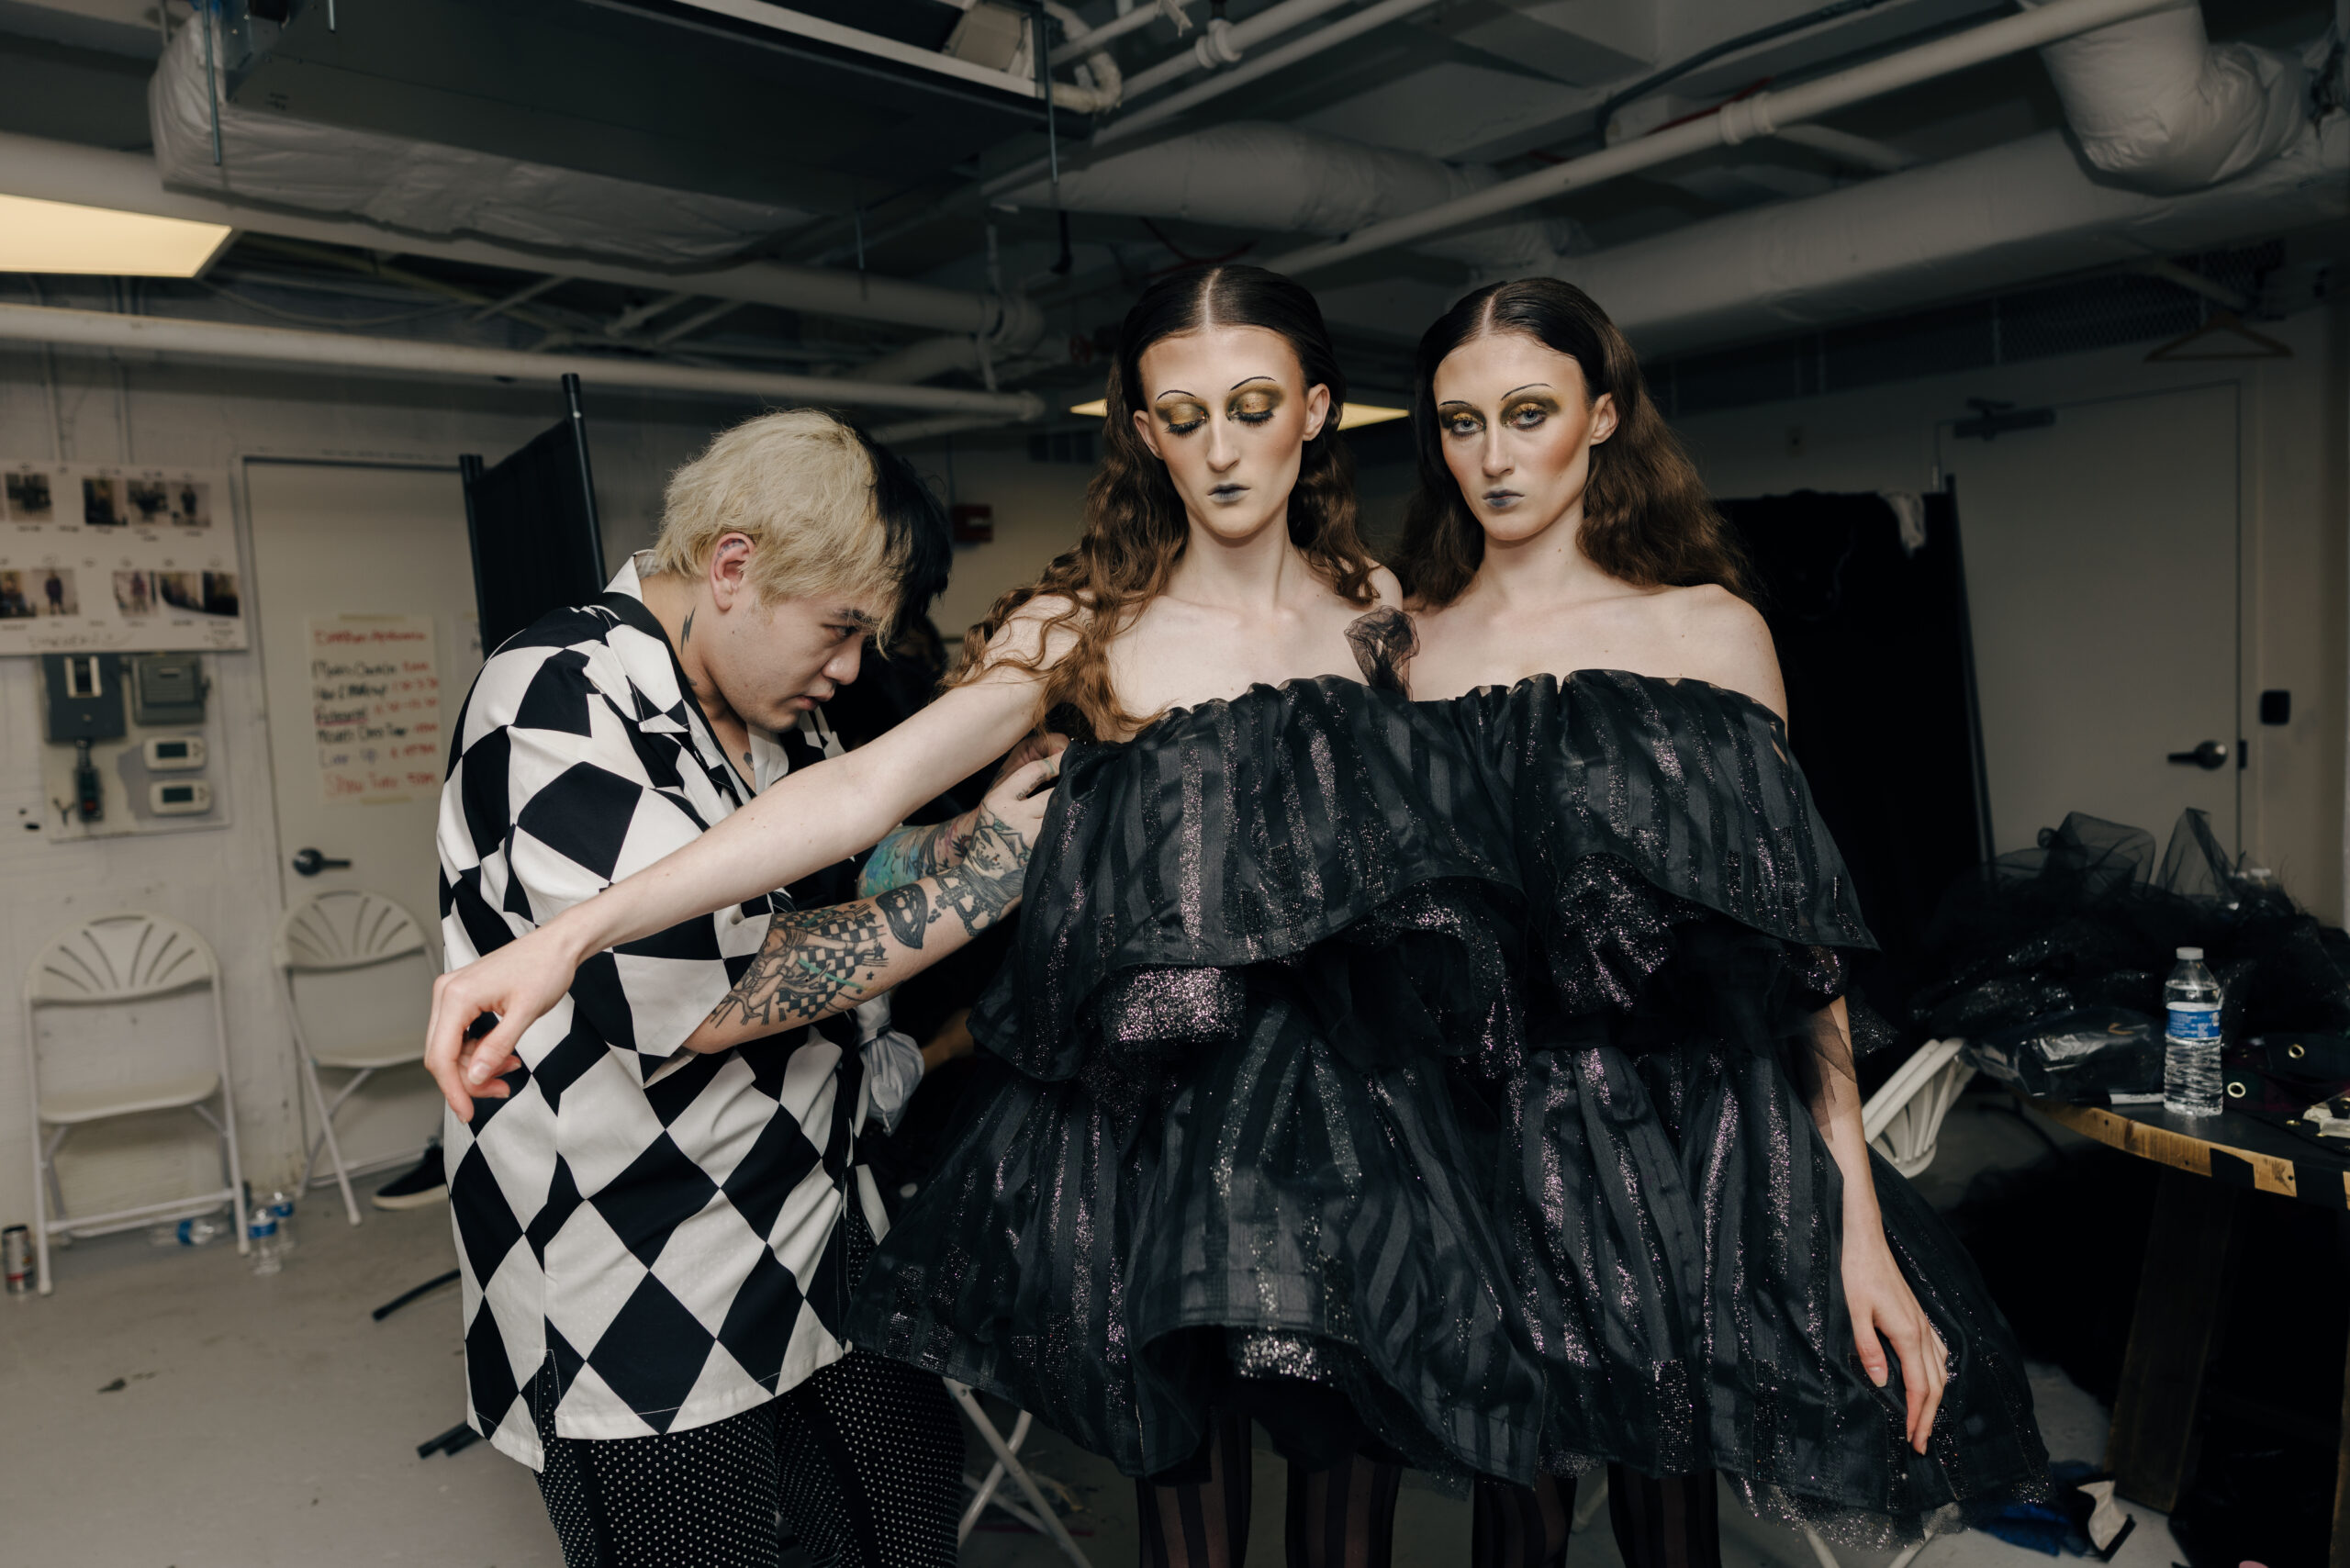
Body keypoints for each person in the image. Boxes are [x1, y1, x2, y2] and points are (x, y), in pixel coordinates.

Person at [424, 265, 1532, 1567]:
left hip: (1320, 1126)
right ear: (1139, 428)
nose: (1221, 448)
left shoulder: (1385, 620)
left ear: (1318, 413)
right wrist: (577, 932)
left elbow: (1449, 857)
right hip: (682, 1255)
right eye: (1183, 415)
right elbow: (847, 808)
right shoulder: (1081, 626)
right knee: (1182, 1491)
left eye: (1252, 405)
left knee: (1336, 1489)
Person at [1394, 278, 2049, 1564]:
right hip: (1476, 1141)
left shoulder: (1705, 631)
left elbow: (1794, 954)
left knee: (1667, 1515)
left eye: (1527, 412)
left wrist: (1854, 1226)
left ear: (1602, 415)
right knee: (1507, 1514)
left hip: (1667, 1140)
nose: (1494, 453)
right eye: (1461, 423)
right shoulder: (1401, 655)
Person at [434, 407, 1054, 1568]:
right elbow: (707, 994)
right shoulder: (555, 696)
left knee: (901, 1533)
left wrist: (959, 834)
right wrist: (979, 887)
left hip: (819, 1219)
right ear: (733, 569)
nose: (851, 668)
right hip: (634, 1265)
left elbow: (827, 870)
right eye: (838, 629)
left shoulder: (773, 710)